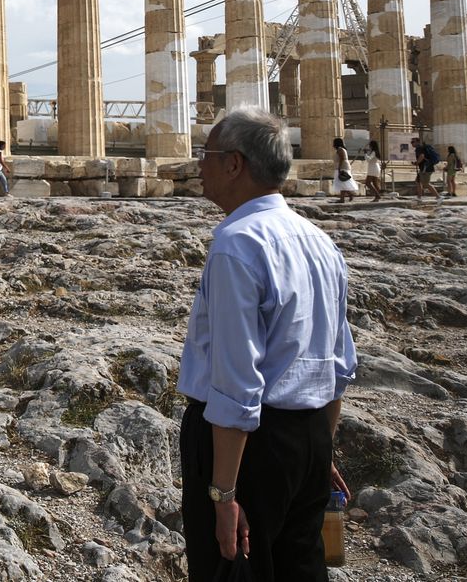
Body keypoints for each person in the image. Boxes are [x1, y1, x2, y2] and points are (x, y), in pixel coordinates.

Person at [178, 106, 357, 582]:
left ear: (234, 164)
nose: (199, 166)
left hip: (248, 450)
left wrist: (223, 494)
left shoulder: (237, 245)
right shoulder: (321, 242)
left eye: (206, 155)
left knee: (233, 571)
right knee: (301, 569)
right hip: (310, 435)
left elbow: (237, 383)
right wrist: (322, 452)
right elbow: (339, 366)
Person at [330, 137, 358, 203]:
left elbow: (342, 159)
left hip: (342, 167)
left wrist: (339, 168)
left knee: (342, 182)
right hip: (343, 167)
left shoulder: (340, 149)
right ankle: (347, 196)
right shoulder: (341, 149)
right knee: (342, 183)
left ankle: (343, 198)